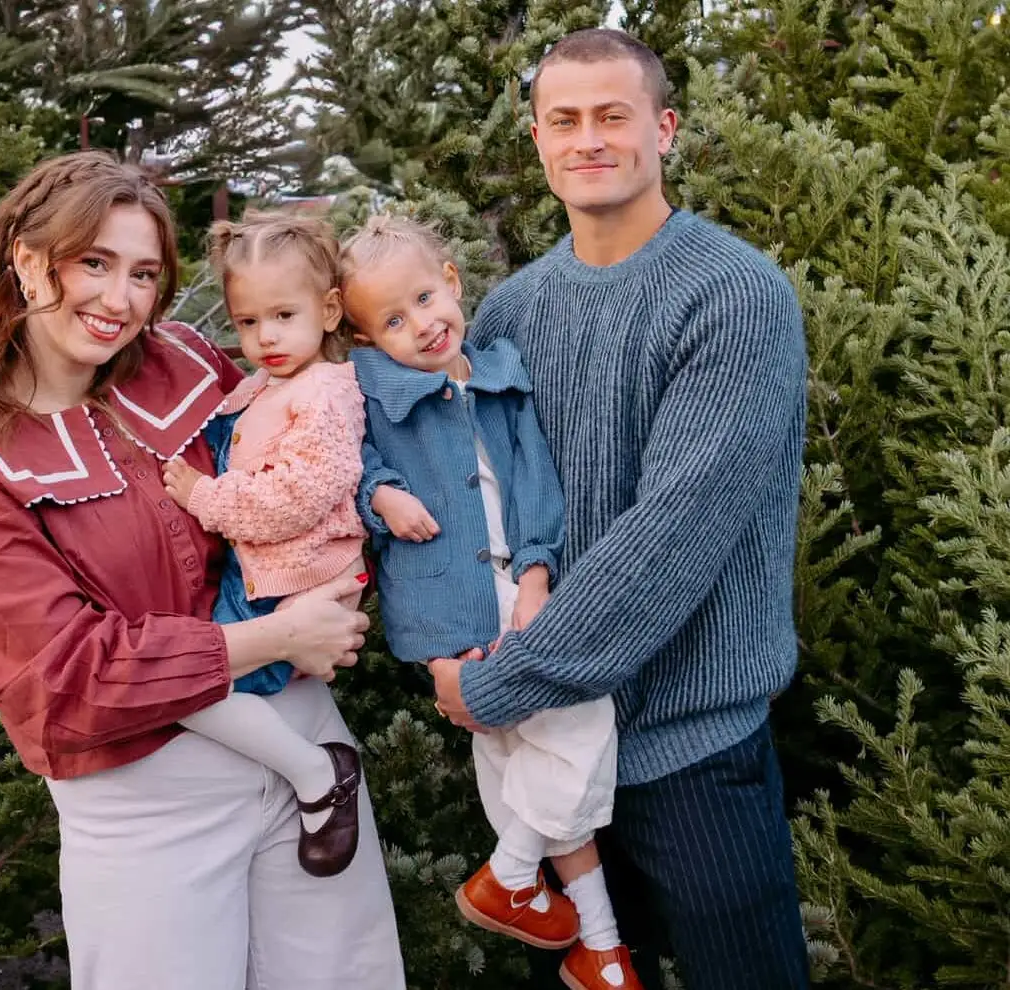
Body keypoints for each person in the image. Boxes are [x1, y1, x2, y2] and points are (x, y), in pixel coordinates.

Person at [0, 150, 406, 990]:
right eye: (92, 263)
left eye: (143, 273)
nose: (118, 300)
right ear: (28, 260)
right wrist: (280, 633)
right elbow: (58, 679)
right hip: (150, 796)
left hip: (310, 749)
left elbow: (316, 459)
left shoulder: (185, 366)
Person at [426, 28, 813, 990]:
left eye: (613, 115)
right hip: (551, 752)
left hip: (692, 745)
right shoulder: (511, 312)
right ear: (538, 138)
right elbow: (463, 499)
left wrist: (508, 680)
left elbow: (675, 532)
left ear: (665, 129)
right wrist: (449, 643)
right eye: (565, 119)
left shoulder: (735, 296)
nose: (588, 138)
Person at [342, 215, 642, 990]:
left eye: (423, 299)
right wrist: (381, 494)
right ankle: (512, 875)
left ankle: (598, 945)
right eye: (393, 322)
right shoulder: (368, 394)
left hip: (518, 589)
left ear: (451, 278)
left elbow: (537, 481)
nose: (421, 327)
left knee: (538, 750)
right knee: (570, 727)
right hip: (447, 603)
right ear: (369, 340)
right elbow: (344, 464)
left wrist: (539, 575)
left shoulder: (502, 376)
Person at [158, 210, 370, 878]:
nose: (265, 337)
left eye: (283, 315)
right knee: (195, 679)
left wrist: (202, 497)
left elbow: (292, 498)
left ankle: (320, 777)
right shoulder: (268, 384)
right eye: (248, 322)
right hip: (261, 577)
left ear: (330, 309)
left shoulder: (330, 396)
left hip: (293, 587)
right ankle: (304, 773)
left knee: (186, 688)